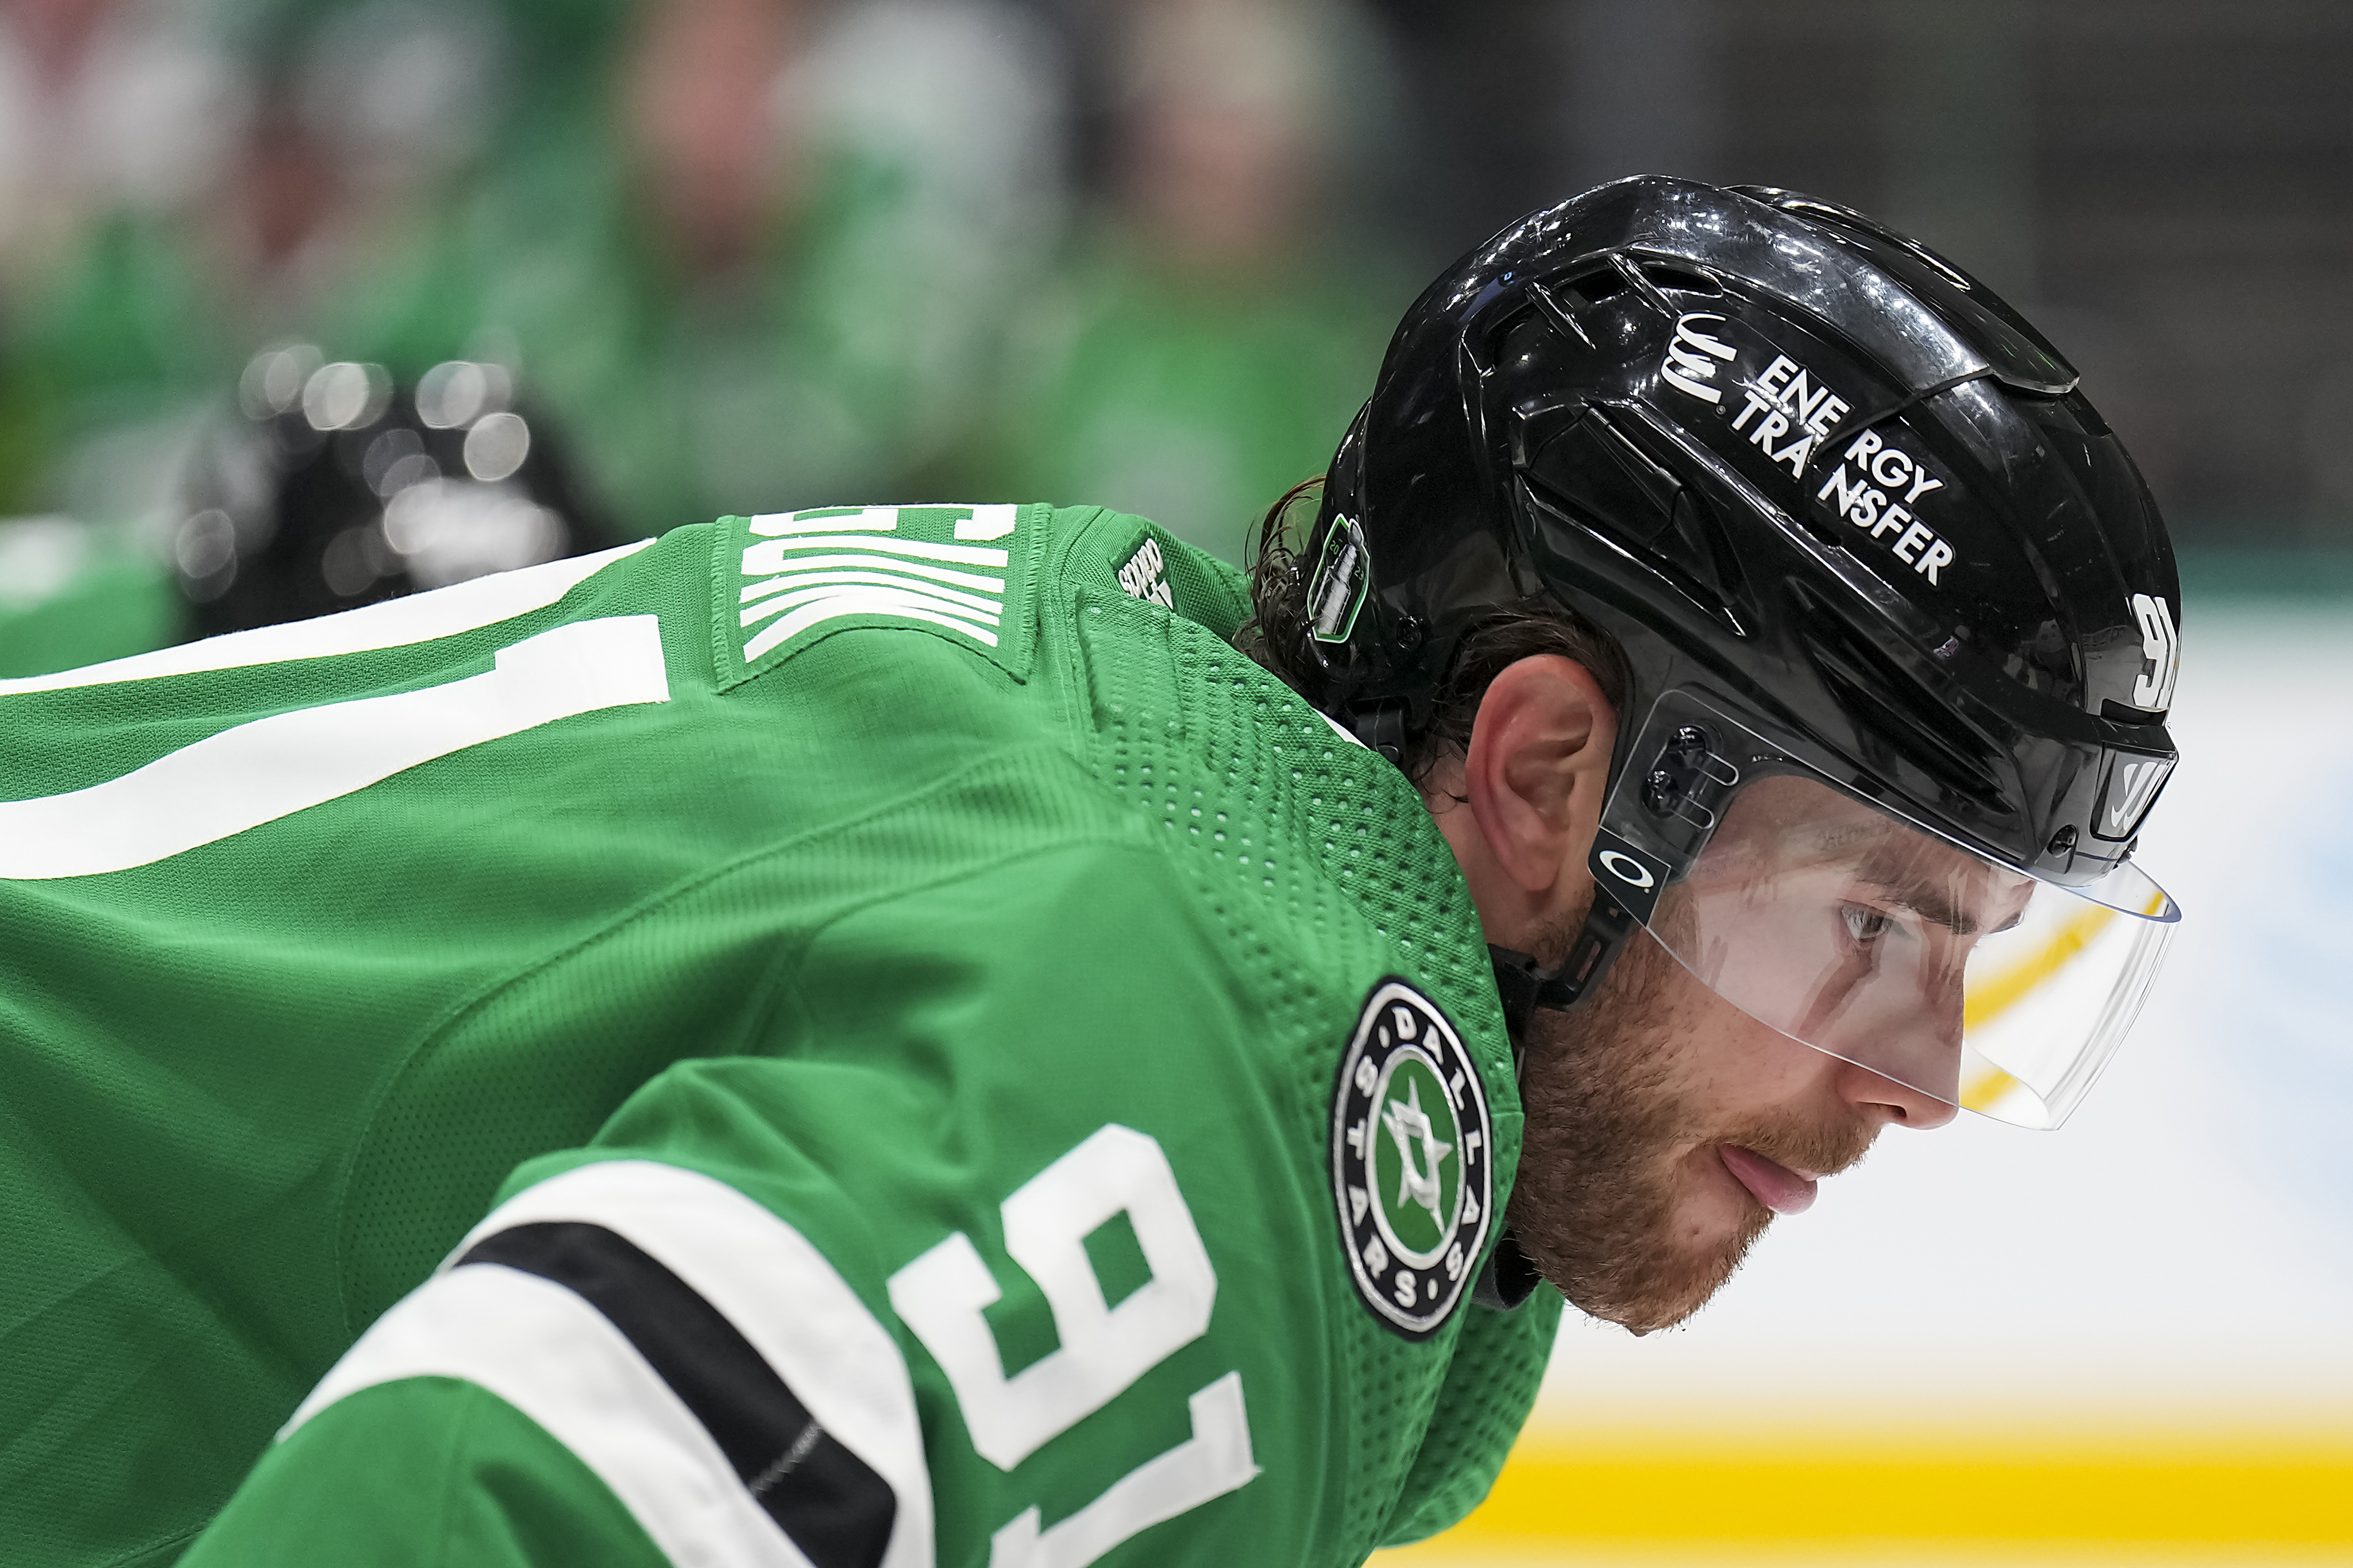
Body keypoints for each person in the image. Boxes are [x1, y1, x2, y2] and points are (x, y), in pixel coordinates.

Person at [0, 177, 2183, 1568]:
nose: (1917, 1072)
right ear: (1538, 777)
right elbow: (480, 1504)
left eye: (1975, 951)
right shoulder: (1231, 1045)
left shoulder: (1108, 665)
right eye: (1874, 921)